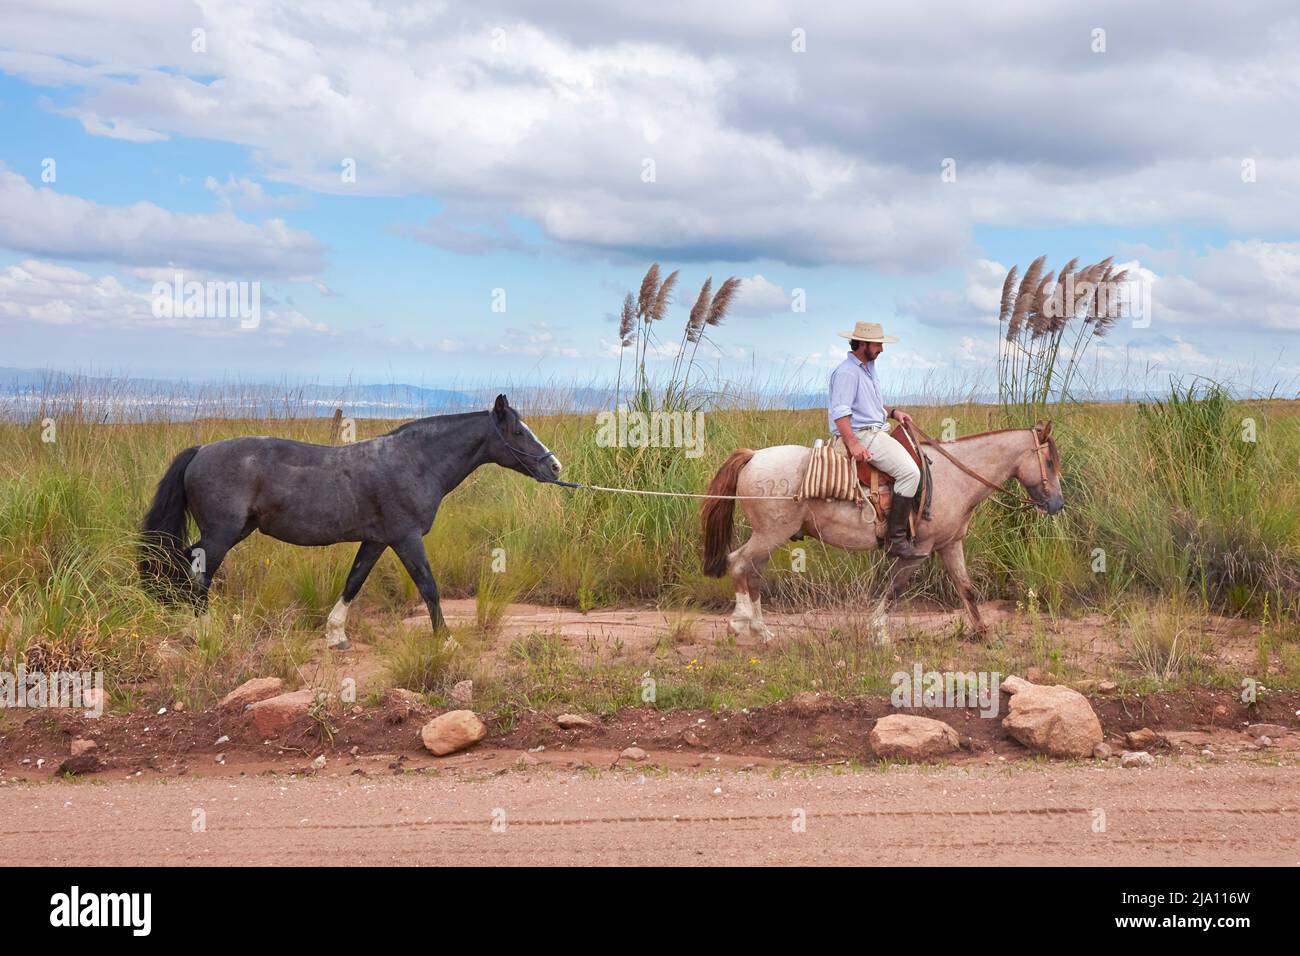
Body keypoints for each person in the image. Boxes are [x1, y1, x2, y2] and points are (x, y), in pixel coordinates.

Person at [827, 320, 925, 558]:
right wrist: (853, 444)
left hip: (875, 430)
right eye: (878, 344)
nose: (881, 349)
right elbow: (840, 411)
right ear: (863, 344)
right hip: (864, 435)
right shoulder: (848, 372)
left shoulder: (867, 368)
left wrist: (892, 413)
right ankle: (896, 539)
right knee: (911, 473)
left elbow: (870, 404)